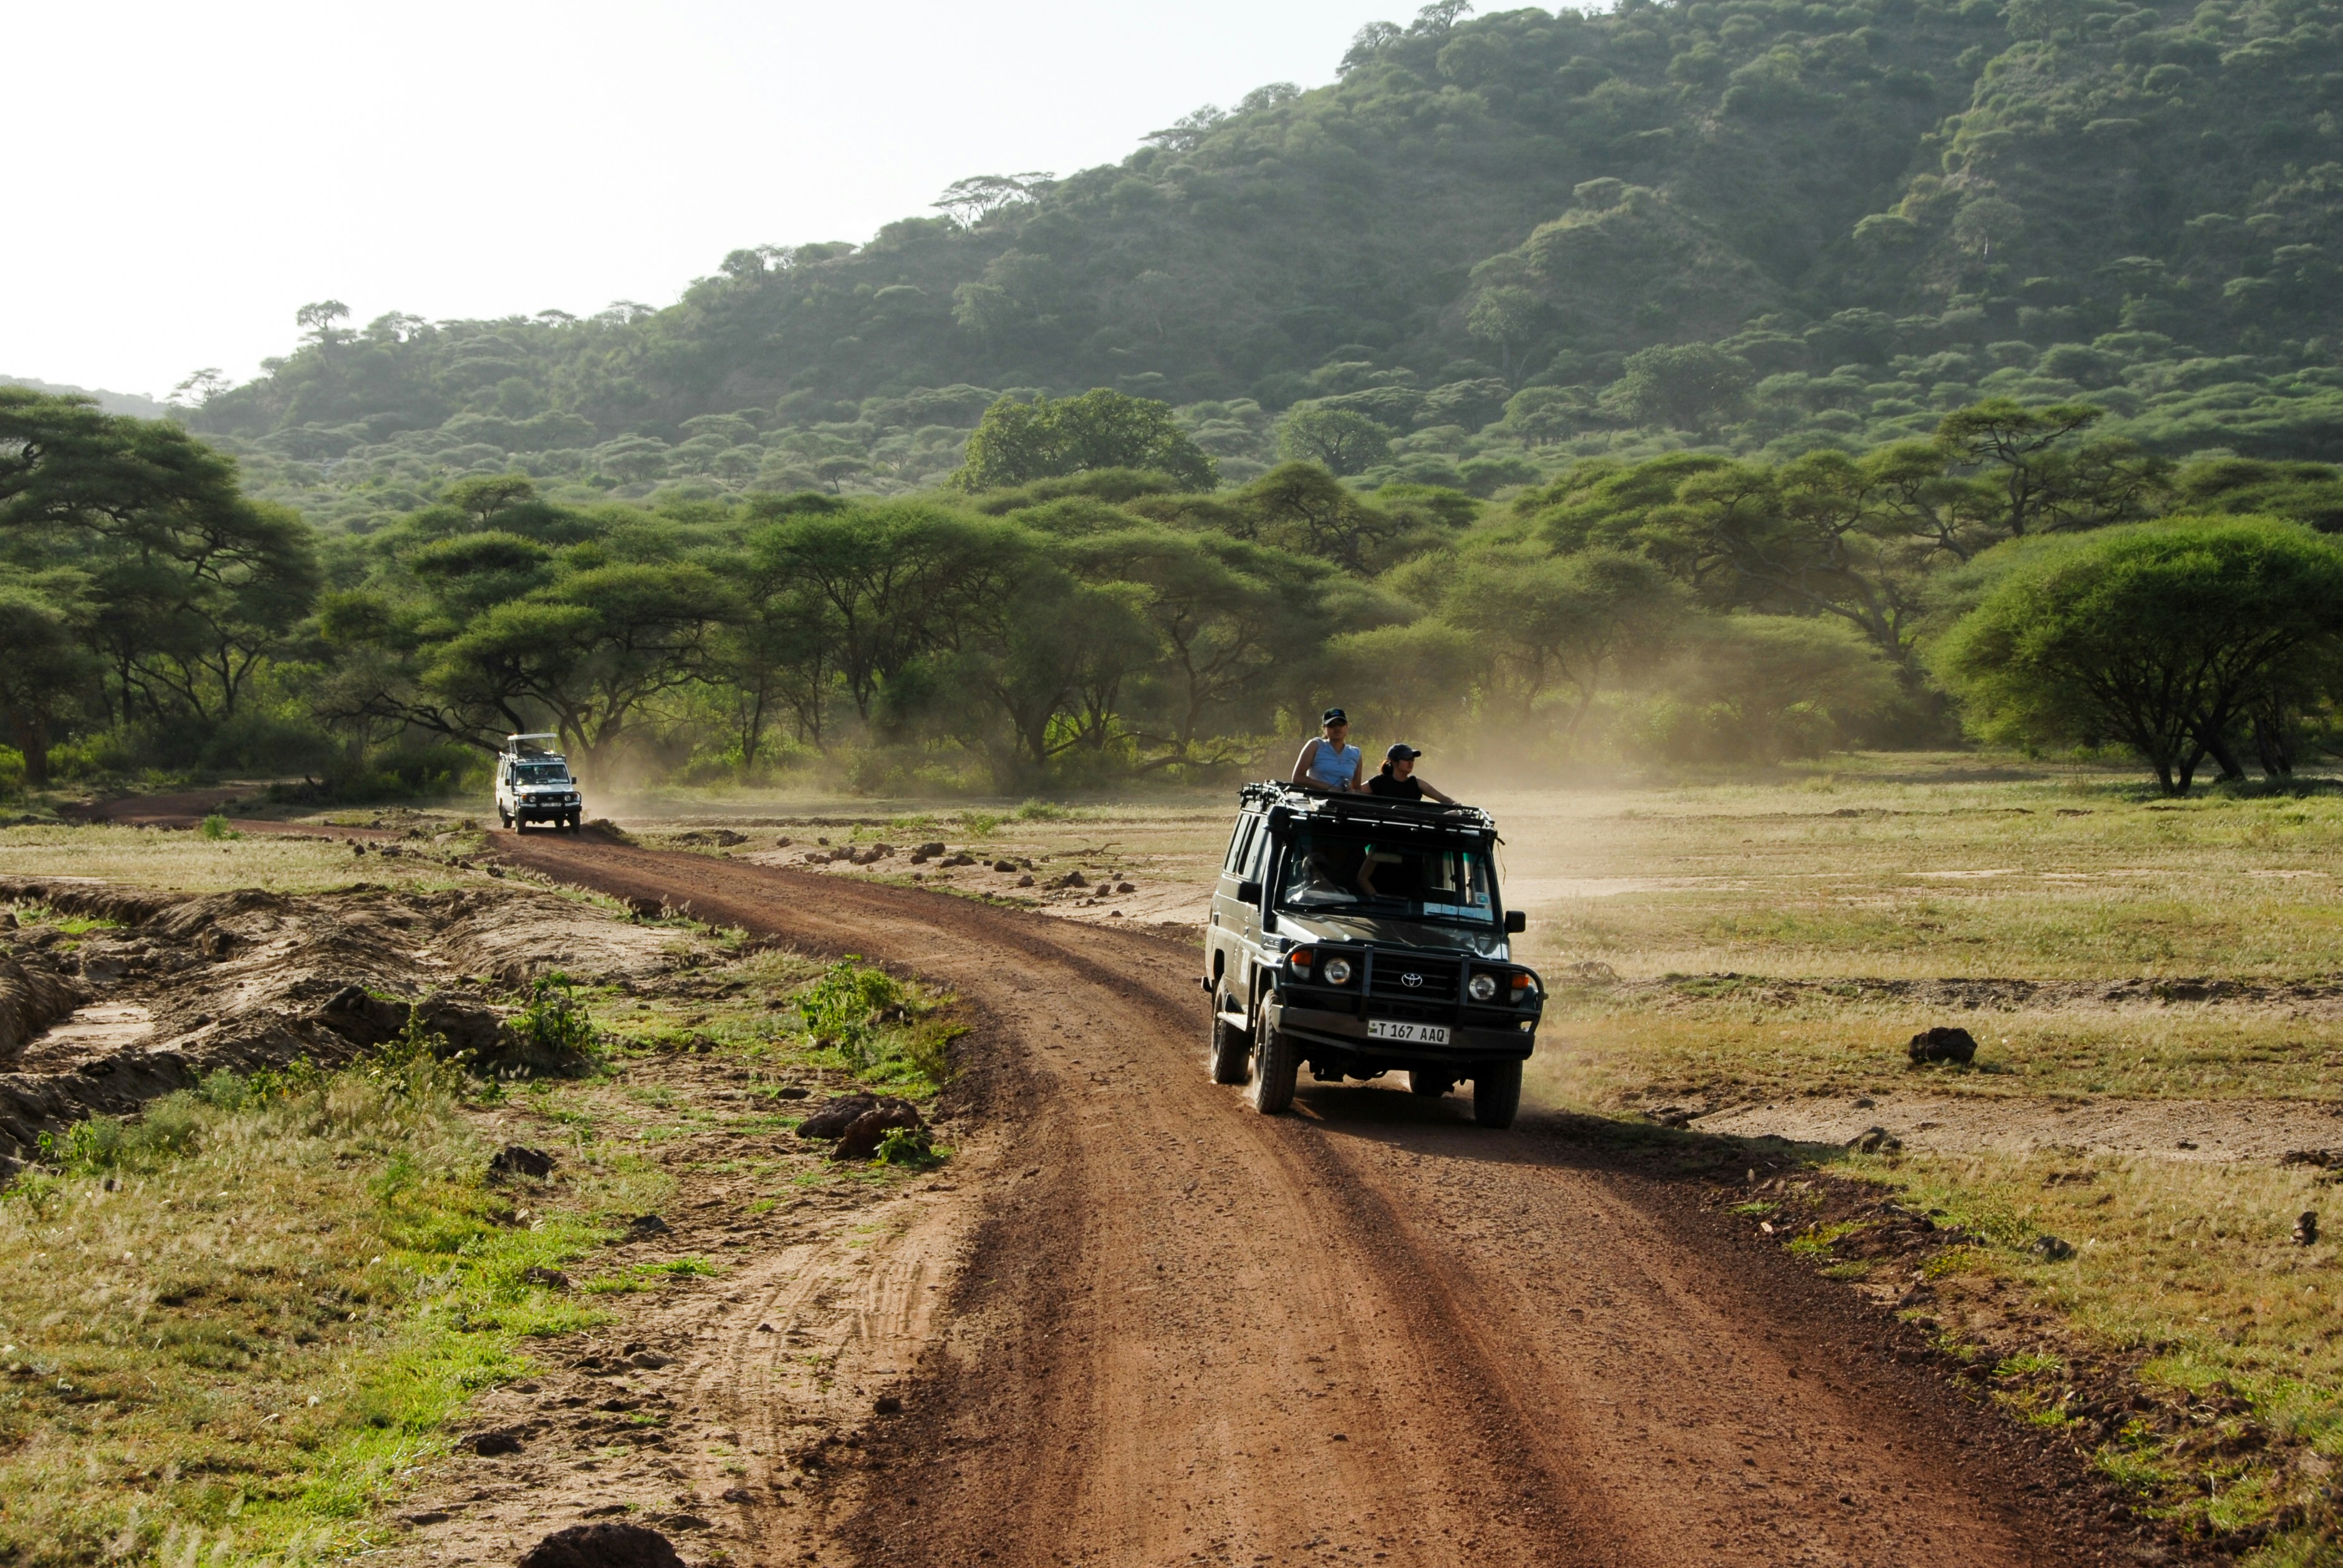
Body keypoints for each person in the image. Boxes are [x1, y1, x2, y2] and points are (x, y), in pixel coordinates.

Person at [1291, 708, 1364, 793]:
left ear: (1347, 726)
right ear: (1324, 728)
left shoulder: (1356, 753)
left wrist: (1353, 792)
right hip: (1315, 802)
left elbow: (1358, 789)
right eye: (1332, 725)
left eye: (1341, 724)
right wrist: (1329, 788)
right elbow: (1297, 778)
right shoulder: (1315, 745)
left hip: (1343, 803)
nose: (1337, 728)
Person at [1365, 743, 1455, 804]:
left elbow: (1442, 798)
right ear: (1394, 762)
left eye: (1412, 759)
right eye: (1406, 758)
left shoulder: (1418, 784)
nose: (1411, 762)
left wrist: (1455, 804)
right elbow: (1357, 792)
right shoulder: (1379, 781)